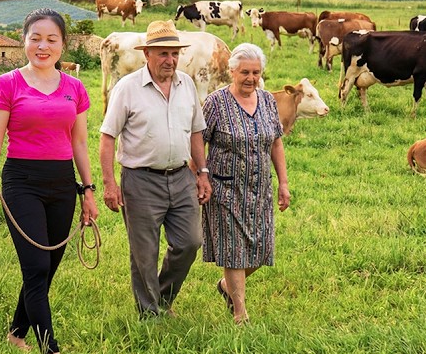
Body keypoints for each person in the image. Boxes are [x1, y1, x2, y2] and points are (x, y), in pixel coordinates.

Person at [0, 8, 97, 354]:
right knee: (37, 264)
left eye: (51, 39)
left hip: (62, 183)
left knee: (47, 266)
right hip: (22, 181)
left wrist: (87, 190)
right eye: (35, 38)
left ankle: (16, 333)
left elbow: (80, 144)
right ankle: (50, 350)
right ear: (23, 40)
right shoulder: (6, 83)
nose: (43, 46)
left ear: (62, 45)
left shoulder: (75, 88)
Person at [99, 20, 211, 317]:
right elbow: (108, 137)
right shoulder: (127, 88)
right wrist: (110, 184)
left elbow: (196, 132)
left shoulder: (186, 84)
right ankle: (149, 314)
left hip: (181, 176)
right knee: (144, 254)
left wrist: (202, 173)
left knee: (190, 243)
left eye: (175, 54)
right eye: (163, 53)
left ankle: (162, 297)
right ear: (147, 54)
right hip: (141, 180)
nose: (170, 60)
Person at [202, 42, 290, 324]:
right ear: (231, 71)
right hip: (224, 187)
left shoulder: (266, 100)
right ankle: (240, 312)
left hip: (260, 187)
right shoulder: (215, 103)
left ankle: (227, 286)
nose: (250, 78)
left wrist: (283, 183)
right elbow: (197, 143)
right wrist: (200, 177)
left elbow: (276, 142)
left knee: (260, 249)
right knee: (233, 250)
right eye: (244, 72)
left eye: (255, 72)